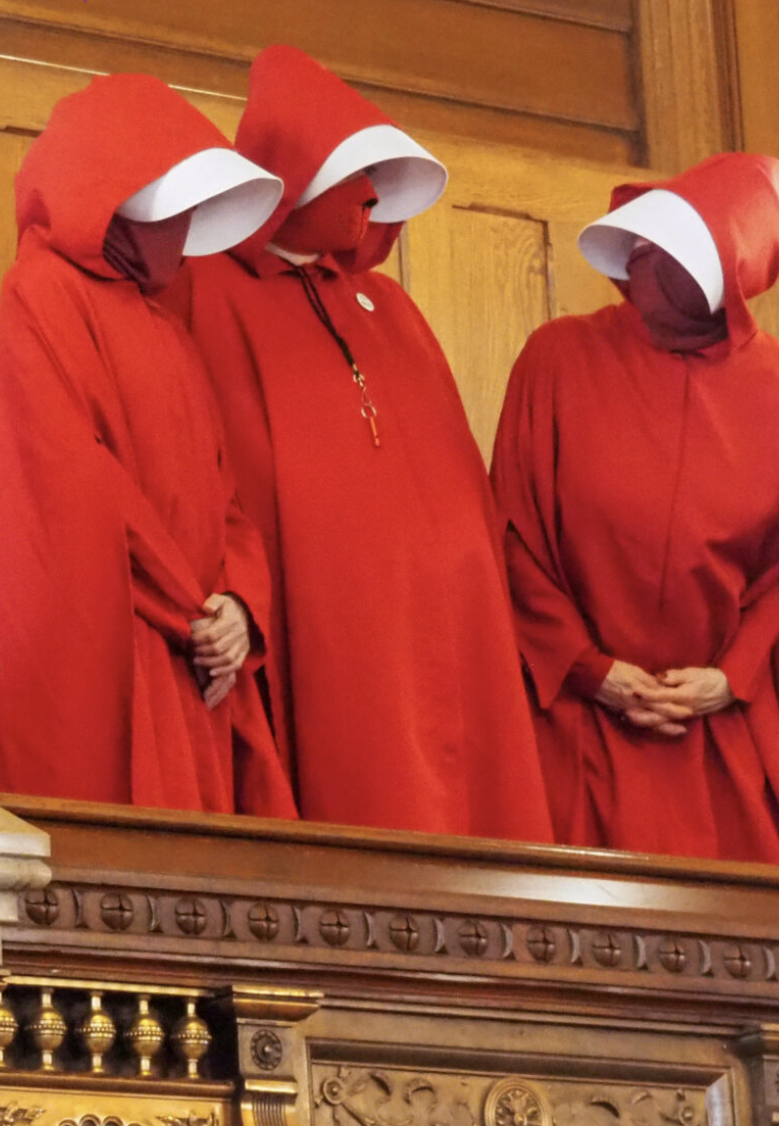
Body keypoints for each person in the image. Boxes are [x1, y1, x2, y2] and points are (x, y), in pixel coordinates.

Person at [163, 45, 550, 841]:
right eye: (348, 174)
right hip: (317, 623)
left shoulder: (390, 306)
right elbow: (194, 464)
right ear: (291, 171)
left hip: (446, 635)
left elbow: (459, 490)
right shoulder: (202, 289)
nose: (368, 198)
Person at [490, 153, 779, 866]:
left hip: (718, 743)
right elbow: (510, 534)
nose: (657, 264)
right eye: (653, 245)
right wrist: (591, 668)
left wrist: (732, 676)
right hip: (566, 727)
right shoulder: (558, 357)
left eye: (686, 251)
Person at [0, 73, 296, 817]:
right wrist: (196, 613)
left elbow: (227, 503)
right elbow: (71, 486)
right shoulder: (42, 292)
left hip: (194, 653)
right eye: (177, 204)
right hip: (118, 641)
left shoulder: (168, 329)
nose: (186, 229)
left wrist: (239, 610)